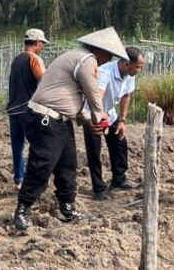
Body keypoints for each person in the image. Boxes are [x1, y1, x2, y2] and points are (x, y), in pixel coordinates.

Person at [13, 28, 129, 231]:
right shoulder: (87, 60)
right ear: (100, 50)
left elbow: (72, 102)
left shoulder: (77, 57)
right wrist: (99, 115)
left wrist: (88, 119)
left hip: (61, 119)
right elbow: (93, 92)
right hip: (46, 118)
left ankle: (67, 206)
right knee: (42, 164)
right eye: (109, 54)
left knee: (67, 164)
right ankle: (23, 208)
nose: (108, 59)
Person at [83, 47, 145, 200]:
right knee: (94, 150)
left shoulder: (129, 74)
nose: (139, 70)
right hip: (93, 113)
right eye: (138, 66)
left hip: (109, 113)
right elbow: (98, 96)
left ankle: (119, 179)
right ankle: (98, 188)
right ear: (126, 64)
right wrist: (98, 116)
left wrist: (122, 121)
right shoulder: (105, 72)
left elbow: (126, 96)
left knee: (119, 142)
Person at [6, 29, 48, 190]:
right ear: (36, 42)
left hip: (13, 110)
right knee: (39, 145)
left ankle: (19, 179)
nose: (43, 46)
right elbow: (43, 81)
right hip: (27, 110)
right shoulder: (34, 58)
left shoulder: (17, 59)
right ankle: (35, 180)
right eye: (42, 43)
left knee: (17, 146)